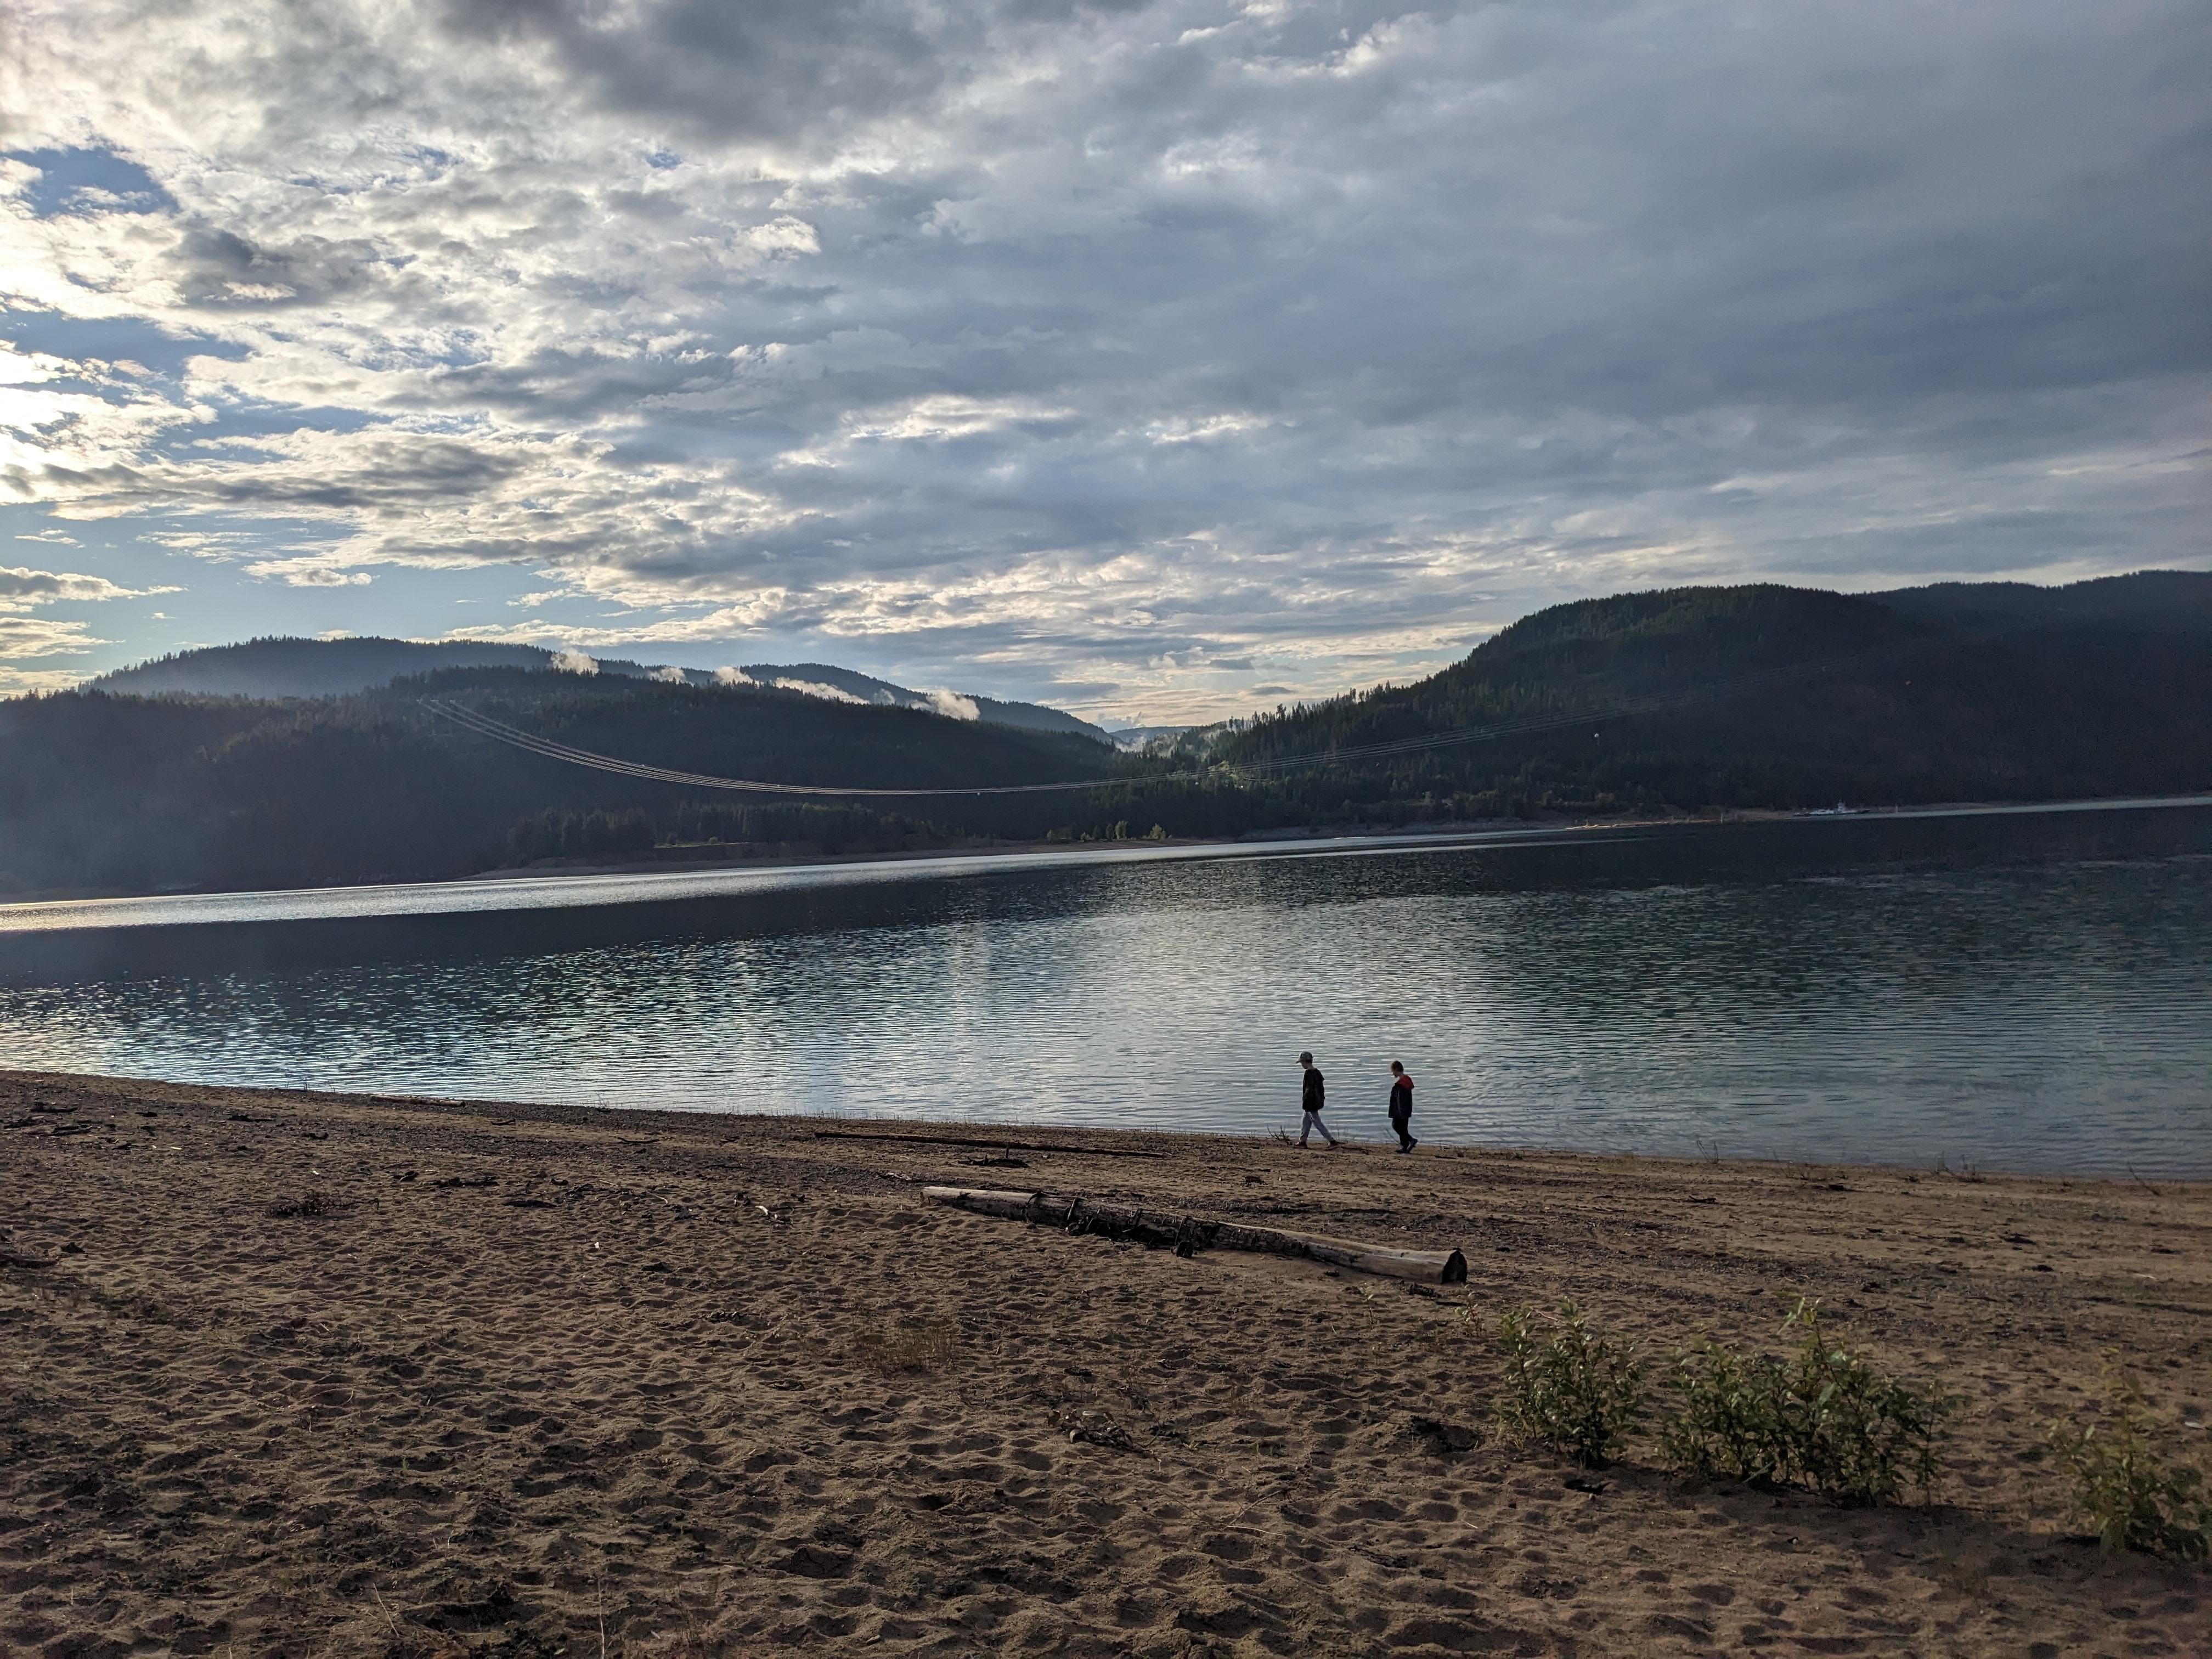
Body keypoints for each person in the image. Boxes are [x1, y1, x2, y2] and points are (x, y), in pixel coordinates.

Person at [1297, 1051, 1338, 1148]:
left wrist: (1306, 1103)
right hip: (1317, 1100)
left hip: (1310, 1103)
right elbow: (1321, 1089)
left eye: (1302, 1063)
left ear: (1305, 1062)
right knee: (1305, 1121)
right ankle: (1303, 1141)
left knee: (1317, 1122)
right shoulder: (1317, 1072)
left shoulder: (1308, 1074)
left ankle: (1332, 1141)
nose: (1301, 1065)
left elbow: (1308, 1090)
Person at [1387, 1060, 1417, 1153]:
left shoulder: (1401, 1084)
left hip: (1401, 1111)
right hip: (1406, 1110)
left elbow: (1401, 1100)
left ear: (1396, 1069)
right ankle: (1405, 1147)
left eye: (1393, 1071)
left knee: (1396, 1125)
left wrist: (1401, 1112)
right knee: (1403, 1128)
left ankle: (1411, 1140)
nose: (1393, 1073)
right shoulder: (1406, 1081)